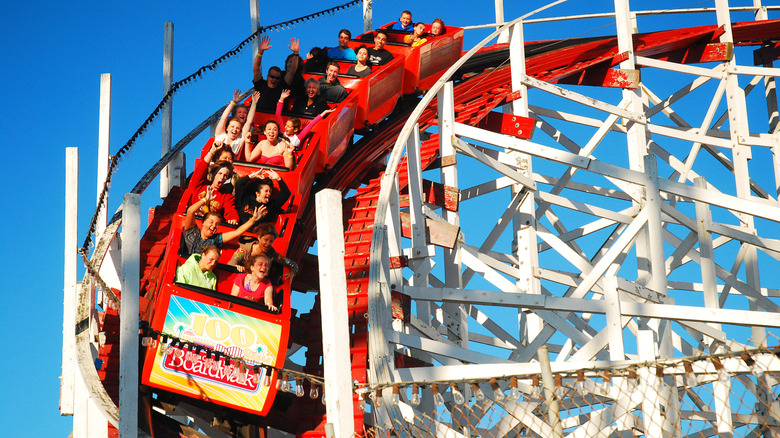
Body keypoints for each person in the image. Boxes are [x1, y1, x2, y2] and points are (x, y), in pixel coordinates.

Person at [180, 188, 263, 257]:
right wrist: (205, 200)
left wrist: (253, 220)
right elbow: (190, 211)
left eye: (217, 224)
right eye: (211, 222)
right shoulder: (191, 231)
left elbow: (237, 232)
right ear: (204, 222)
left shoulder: (215, 240)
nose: (213, 226)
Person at [228, 223, 299, 285]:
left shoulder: (272, 254)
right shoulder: (245, 249)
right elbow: (231, 263)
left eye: (271, 241)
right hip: (239, 281)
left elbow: (293, 264)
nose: (268, 244)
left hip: (258, 285)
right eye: (266, 240)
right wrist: (238, 267)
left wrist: (293, 273)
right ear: (259, 238)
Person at [253, 36, 301, 111]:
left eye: (277, 78)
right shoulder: (261, 85)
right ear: (268, 77)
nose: (274, 79)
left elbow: (292, 71)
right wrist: (261, 51)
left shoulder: (282, 87)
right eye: (272, 77)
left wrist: (296, 53)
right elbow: (256, 68)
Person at [187, 160, 239, 224]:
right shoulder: (201, 185)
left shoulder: (226, 196)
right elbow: (201, 170)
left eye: (225, 175)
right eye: (220, 173)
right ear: (213, 173)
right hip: (192, 221)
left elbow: (231, 210)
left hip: (210, 226)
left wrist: (233, 218)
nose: (222, 177)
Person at [213, 90, 260, 159]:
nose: (234, 129)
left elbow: (249, 121)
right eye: (232, 126)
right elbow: (224, 118)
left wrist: (254, 103)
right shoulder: (221, 135)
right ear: (227, 128)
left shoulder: (240, 138)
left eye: (237, 128)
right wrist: (233, 102)